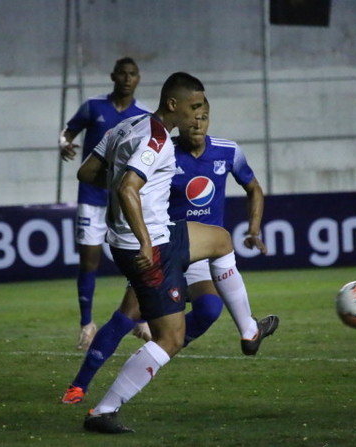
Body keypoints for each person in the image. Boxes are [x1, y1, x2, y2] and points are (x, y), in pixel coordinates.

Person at [76, 72, 279, 434]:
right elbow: (128, 188)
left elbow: (88, 171)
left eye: (203, 110)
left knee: (216, 251)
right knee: (153, 328)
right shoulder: (159, 140)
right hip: (155, 243)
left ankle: (98, 406)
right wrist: (142, 237)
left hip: (154, 241)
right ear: (174, 106)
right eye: (194, 107)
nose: (198, 116)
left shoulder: (131, 125)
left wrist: (254, 228)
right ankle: (92, 398)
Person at [59, 57, 151, 351]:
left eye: (132, 74)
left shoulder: (145, 116)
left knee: (139, 260)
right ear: (113, 76)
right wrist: (64, 143)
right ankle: (87, 324)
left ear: (138, 79)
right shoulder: (93, 106)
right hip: (92, 197)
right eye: (122, 74)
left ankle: (141, 316)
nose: (126, 78)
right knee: (89, 261)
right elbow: (68, 131)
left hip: (126, 199)